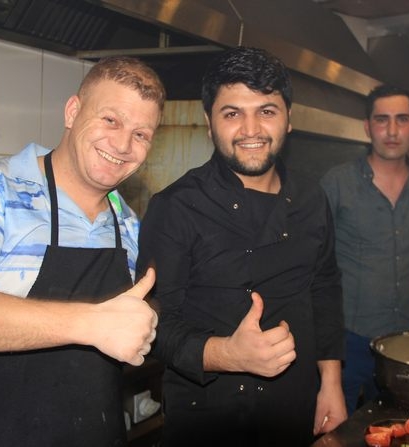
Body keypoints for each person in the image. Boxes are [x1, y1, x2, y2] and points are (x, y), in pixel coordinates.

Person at [0, 56, 165, 447]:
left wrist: (144, 318)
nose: (122, 145)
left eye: (141, 134)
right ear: (73, 111)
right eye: (110, 120)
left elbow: (124, 322)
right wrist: (92, 324)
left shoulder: (127, 223)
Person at [136, 46, 347, 447]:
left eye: (266, 110)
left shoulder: (311, 198)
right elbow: (154, 324)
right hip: (208, 422)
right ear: (209, 123)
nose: (251, 129)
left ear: (289, 119)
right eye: (232, 113)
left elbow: (325, 288)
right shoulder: (175, 207)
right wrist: (227, 354)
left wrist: (331, 382)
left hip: (294, 411)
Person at [320, 84, 409, 415]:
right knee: (336, 429)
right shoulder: (337, 182)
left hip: (402, 340)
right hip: (345, 339)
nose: (392, 131)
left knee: (394, 424)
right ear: (367, 126)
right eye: (382, 120)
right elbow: (313, 262)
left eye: (402, 120)